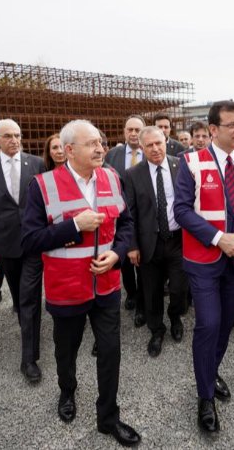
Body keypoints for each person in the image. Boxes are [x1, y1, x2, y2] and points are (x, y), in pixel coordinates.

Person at [21, 120, 141, 447]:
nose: (100, 148)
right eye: (92, 144)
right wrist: (74, 225)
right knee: (66, 351)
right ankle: (67, 392)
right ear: (69, 150)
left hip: (106, 286)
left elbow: (126, 224)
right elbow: (30, 241)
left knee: (111, 352)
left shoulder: (112, 178)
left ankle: (108, 418)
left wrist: (117, 254)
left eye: (100, 142)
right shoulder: (42, 185)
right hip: (67, 289)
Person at [174, 100, 234, 434]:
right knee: (208, 324)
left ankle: (211, 371)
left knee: (224, 325)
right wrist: (219, 237)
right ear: (212, 130)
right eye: (232, 125)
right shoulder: (190, 162)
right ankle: (205, 397)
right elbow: (181, 210)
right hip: (203, 261)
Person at [0, 118, 46, 383]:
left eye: (17, 135)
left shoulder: (36, 164)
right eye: (8, 136)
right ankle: (26, 323)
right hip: (5, 244)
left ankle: (29, 358)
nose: (14, 140)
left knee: (29, 297)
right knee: (18, 297)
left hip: (33, 241)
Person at [124, 127, 187, 357]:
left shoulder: (181, 165)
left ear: (165, 141)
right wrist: (131, 246)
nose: (155, 148)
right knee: (151, 292)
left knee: (180, 288)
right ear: (141, 147)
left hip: (178, 240)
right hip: (149, 243)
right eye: (149, 145)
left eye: (159, 143)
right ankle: (157, 330)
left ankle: (175, 316)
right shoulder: (132, 174)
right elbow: (129, 213)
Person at [104, 115, 145, 326]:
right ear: (124, 132)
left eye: (138, 129)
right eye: (130, 129)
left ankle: (143, 304)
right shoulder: (113, 154)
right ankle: (131, 293)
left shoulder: (152, 151)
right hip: (120, 218)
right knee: (125, 263)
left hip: (145, 217)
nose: (133, 133)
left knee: (143, 264)